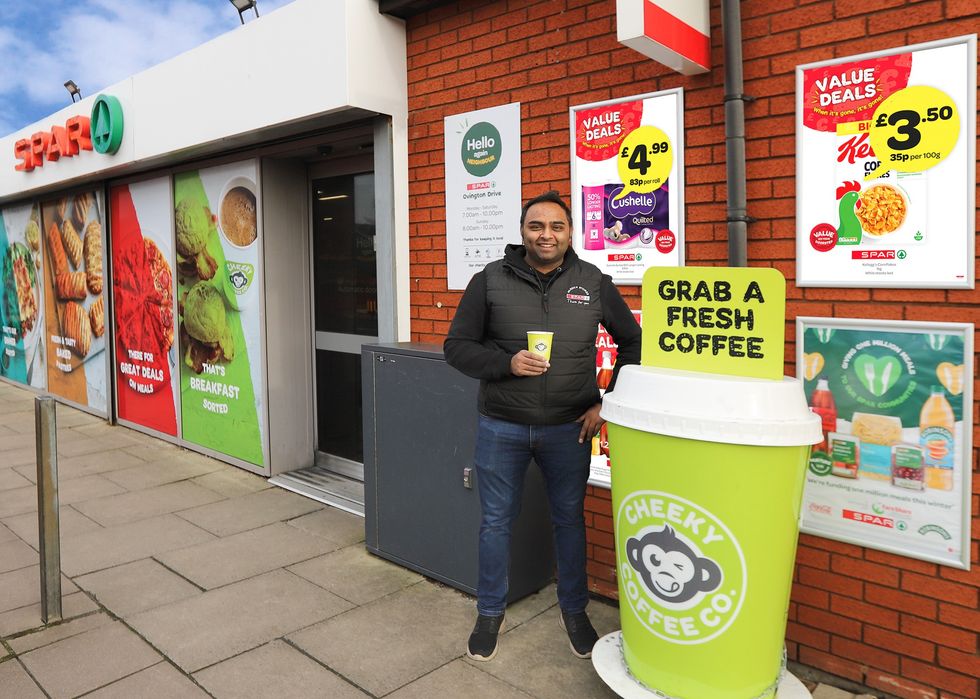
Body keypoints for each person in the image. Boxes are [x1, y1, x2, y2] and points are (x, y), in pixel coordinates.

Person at [444, 190, 641, 661]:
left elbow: (633, 343)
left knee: (569, 521)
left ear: (570, 233)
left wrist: (607, 404)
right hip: (502, 426)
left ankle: (574, 610)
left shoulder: (593, 282)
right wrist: (506, 363)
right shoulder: (489, 280)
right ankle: (489, 612)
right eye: (536, 226)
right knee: (495, 523)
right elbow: (457, 347)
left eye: (556, 226)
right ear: (522, 232)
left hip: (568, 429)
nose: (546, 235)